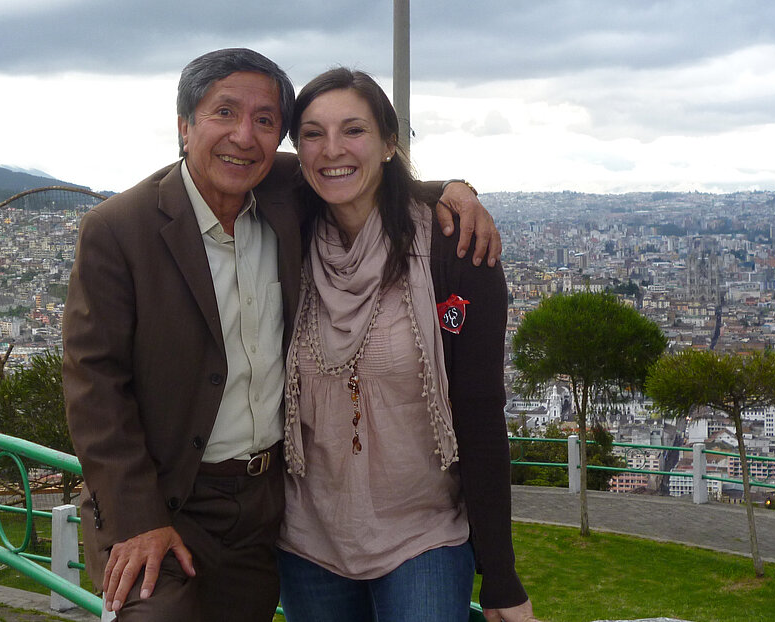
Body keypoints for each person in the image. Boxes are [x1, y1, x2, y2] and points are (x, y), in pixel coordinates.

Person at [63, 48, 501, 622]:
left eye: (265, 120)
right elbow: (94, 383)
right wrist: (137, 517)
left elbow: (360, 172)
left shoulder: (281, 193)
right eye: (224, 112)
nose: (244, 137)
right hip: (165, 496)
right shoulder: (120, 228)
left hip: (263, 507)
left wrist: (453, 189)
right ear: (184, 125)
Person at [276, 67, 537, 622]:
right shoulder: (285, 235)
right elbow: (225, 168)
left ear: (390, 142)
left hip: (423, 535)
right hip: (308, 539)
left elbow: (480, 413)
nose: (332, 149)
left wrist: (501, 576)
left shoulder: (453, 251)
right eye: (313, 134)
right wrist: (445, 185)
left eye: (354, 130)